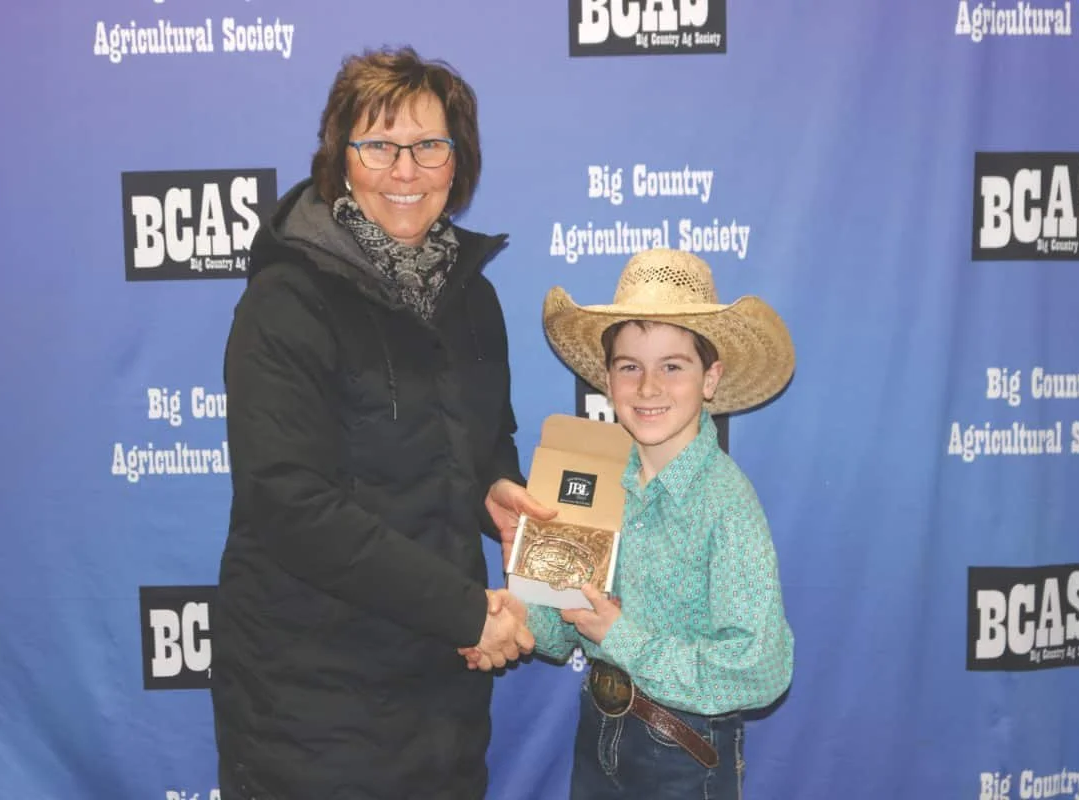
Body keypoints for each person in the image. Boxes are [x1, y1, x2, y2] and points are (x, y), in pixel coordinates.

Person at [210, 46, 552, 799]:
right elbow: (290, 504)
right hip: (311, 701)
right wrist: (467, 612)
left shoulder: (472, 298)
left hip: (442, 693)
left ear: (458, 162)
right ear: (343, 160)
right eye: (379, 146)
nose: (406, 170)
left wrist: (494, 487)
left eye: (430, 146)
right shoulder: (287, 300)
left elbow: (481, 437)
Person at [529, 248, 797, 798]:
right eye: (630, 367)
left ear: (710, 378)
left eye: (672, 366)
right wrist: (516, 602)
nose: (648, 387)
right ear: (607, 379)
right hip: (597, 733)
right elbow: (558, 630)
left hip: (685, 750)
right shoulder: (592, 474)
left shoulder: (727, 502)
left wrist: (622, 638)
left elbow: (760, 668)